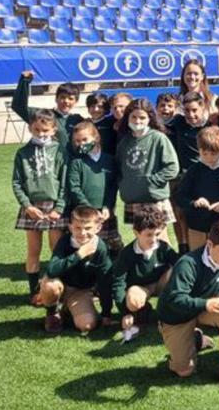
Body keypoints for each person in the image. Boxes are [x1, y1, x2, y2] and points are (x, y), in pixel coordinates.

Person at [156, 218, 219, 387]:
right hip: (176, 316)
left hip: (204, 307)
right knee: (184, 370)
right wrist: (206, 304)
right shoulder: (187, 263)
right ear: (209, 244)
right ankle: (195, 339)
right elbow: (176, 300)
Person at [12, 110, 68, 299]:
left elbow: (65, 181)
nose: (41, 133)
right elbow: (17, 182)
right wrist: (27, 206)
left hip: (54, 207)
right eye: (36, 129)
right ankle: (35, 292)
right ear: (30, 128)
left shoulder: (60, 151)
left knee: (56, 250)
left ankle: (58, 288)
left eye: (45, 130)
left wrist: (59, 208)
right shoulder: (22, 153)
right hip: (32, 207)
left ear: (53, 130)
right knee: (33, 251)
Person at [36, 205, 112, 334]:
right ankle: (52, 314)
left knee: (86, 325)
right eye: (77, 228)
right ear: (70, 227)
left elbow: (105, 280)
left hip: (80, 291)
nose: (82, 233)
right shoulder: (65, 241)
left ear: (98, 228)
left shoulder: (100, 248)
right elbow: (51, 270)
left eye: (88, 228)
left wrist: (106, 314)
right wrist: (79, 254)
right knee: (49, 285)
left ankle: (67, 309)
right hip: (60, 285)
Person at [111, 204, 179, 342]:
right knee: (134, 300)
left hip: (160, 285)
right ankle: (140, 312)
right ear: (136, 233)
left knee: (177, 270)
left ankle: (169, 311)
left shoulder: (163, 248)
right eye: (148, 234)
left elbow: (182, 264)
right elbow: (118, 284)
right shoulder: (126, 254)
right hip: (139, 288)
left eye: (157, 234)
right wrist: (126, 312)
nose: (153, 239)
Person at [115, 98, 178, 237]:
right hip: (133, 199)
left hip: (154, 199)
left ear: (150, 118)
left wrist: (152, 181)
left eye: (142, 117)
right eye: (134, 117)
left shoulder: (158, 138)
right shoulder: (124, 141)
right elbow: (118, 168)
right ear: (128, 118)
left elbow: (172, 167)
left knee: (159, 238)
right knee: (140, 238)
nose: (138, 121)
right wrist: (124, 184)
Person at [66, 121, 121, 254]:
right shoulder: (76, 162)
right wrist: (90, 209)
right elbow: (74, 187)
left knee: (111, 246)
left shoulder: (109, 160)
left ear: (96, 137)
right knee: (84, 246)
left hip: (105, 213)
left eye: (85, 139)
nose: (81, 144)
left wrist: (107, 206)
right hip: (83, 213)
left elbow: (113, 186)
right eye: (77, 141)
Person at [166, 92, 212, 253]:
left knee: (204, 214)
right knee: (180, 214)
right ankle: (184, 247)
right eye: (186, 111)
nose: (191, 115)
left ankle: (208, 249)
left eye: (194, 110)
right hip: (182, 179)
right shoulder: (178, 123)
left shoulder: (211, 127)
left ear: (203, 107)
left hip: (204, 178)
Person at [173, 126, 219, 251]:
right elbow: (180, 197)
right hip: (197, 227)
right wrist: (195, 202)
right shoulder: (193, 171)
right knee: (198, 260)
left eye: (214, 154)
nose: (209, 158)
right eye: (205, 153)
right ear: (199, 150)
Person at [12, 71, 82, 150]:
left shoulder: (78, 120)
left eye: (70, 98)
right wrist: (24, 82)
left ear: (76, 101)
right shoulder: (43, 115)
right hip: (48, 160)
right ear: (56, 98)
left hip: (70, 161)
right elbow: (18, 106)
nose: (66, 101)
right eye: (62, 97)